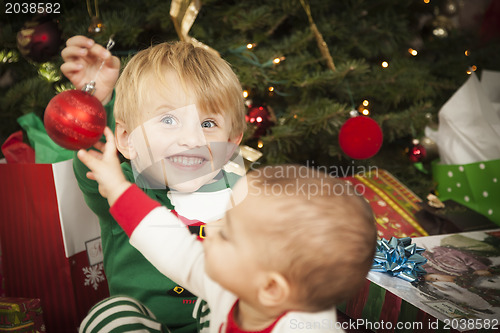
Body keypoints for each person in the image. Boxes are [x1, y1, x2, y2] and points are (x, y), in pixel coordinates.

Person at [77, 127, 378, 332]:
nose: (210, 230)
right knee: (111, 313)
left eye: (227, 233)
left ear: (271, 288)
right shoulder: (235, 286)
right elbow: (169, 243)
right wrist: (117, 187)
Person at [61, 36, 246, 332]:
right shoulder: (123, 187)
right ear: (125, 140)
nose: (192, 140)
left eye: (208, 124)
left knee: (230, 297)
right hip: (141, 325)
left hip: (217, 324)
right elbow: (93, 156)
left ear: (231, 143)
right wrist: (94, 98)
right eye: (169, 120)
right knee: (109, 313)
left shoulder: (243, 196)